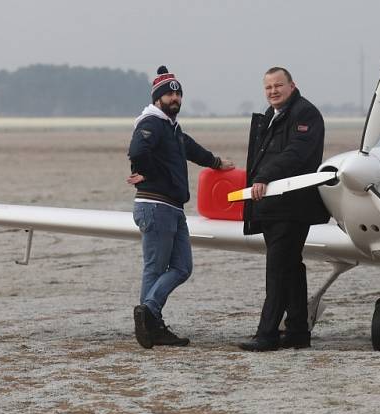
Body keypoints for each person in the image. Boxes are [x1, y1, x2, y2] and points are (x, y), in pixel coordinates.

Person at [127, 66, 234, 349]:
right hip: (156, 205)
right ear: (158, 98)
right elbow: (138, 151)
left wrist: (216, 163)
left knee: (182, 267)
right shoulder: (151, 123)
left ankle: (149, 314)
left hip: (171, 207)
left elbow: (191, 149)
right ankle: (151, 322)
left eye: (178, 93)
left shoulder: (171, 128)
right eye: (169, 94)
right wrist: (147, 173)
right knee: (155, 268)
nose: (174, 98)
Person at [239, 67, 330, 352]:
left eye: (279, 86)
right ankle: (297, 332)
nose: (273, 91)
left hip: (293, 206)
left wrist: (263, 177)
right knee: (291, 268)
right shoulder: (270, 117)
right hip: (272, 207)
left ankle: (267, 335)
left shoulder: (306, 114)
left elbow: (297, 153)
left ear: (292, 85)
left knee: (277, 270)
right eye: (268, 88)